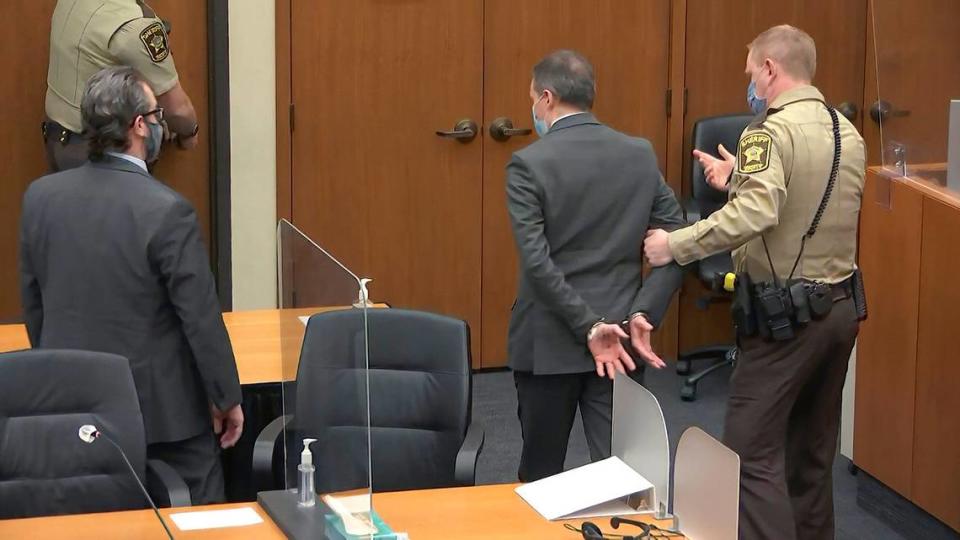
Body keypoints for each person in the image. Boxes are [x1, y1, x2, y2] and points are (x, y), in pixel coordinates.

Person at [644, 25, 866, 540]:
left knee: (750, 454)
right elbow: (807, 201)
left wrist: (673, 245)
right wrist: (738, 178)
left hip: (786, 321)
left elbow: (757, 216)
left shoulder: (768, 131)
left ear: (770, 69)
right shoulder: (845, 130)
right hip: (839, 310)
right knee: (810, 456)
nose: (750, 85)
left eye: (751, 73)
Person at [20, 66, 241, 504]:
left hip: (72, 408)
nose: (161, 125)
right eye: (157, 116)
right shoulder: (167, 210)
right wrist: (226, 397)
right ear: (139, 126)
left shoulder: (40, 199)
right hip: (162, 421)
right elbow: (199, 317)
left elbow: (35, 304)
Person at [507, 50, 685, 482]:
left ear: (546, 98)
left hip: (548, 340)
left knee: (541, 474)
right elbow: (678, 240)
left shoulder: (529, 163)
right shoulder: (638, 153)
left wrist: (587, 326)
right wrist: (644, 311)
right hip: (622, 340)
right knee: (621, 475)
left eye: (533, 98)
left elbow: (537, 260)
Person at [43, 0, 199, 172]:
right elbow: (177, 110)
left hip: (58, 138)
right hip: (101, 155)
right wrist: (189, 133)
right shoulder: (134, 25)